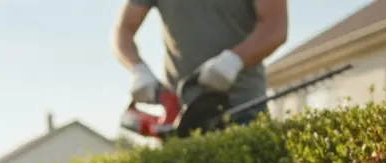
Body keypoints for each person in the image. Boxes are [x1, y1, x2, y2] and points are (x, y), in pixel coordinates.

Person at [113, 0, 289, 127]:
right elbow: (123, 32)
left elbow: (275, 28)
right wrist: (139, 70)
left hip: (244, 108)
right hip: (181, 116)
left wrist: (234, 60)